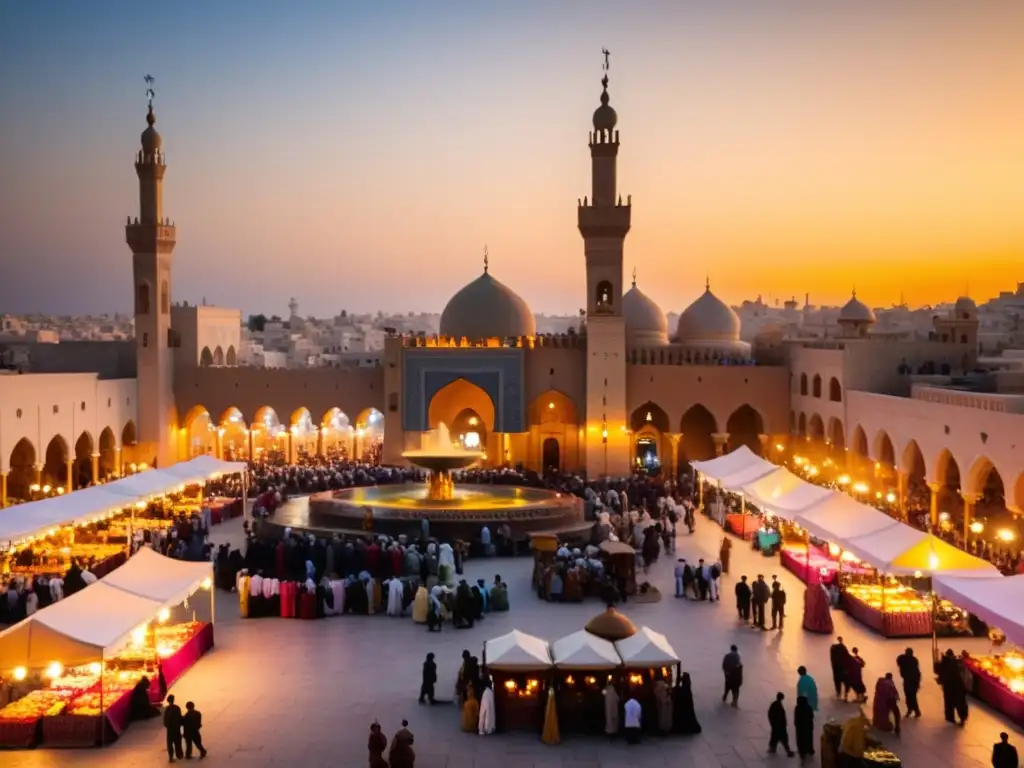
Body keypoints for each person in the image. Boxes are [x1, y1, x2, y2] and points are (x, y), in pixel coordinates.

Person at [937, 648, 968, 725]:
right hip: (958, 686)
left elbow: (941, 673)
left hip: (949, 687)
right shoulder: (955, 662)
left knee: (949, 703)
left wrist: (940, 680)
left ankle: (950, 718)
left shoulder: (944, 663)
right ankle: (962, 718)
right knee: (960, 703)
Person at [896, 647, 922, 718]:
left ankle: (914, 710)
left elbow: (899, 661)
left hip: (910, 681)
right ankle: (912, 710)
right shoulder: (914, 660)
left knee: (910, 696)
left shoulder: (905, 660)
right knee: (911, 696)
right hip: (913, 681)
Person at [767, 692, 795, 756]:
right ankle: (788, 751)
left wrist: (771, 722)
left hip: (775, 725)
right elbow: (780, 716)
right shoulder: (778, 705)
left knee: (774, 737)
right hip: (779, 725)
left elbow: (769, 714)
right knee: (783, 738)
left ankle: (773, 748)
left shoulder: (774, 704)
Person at [164, 694, 184, 762]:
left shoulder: (167, 709)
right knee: (178, 743)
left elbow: (165, 720)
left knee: (170, 744)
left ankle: (171, 757)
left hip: (170, 730)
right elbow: (180, 717)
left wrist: (167, 725)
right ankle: (179, 755)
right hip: (177, 728)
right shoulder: (177, 708)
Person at [794, 694, 815, 759]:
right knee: (808, 738)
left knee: (800, 739)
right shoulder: (808, 707)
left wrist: (796, 724)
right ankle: (809, 749)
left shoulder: (797, 708)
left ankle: (802, 751)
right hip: (808, 727)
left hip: (800, 728)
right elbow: (812, 716)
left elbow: (796, 718)